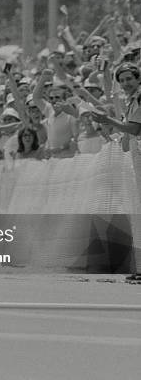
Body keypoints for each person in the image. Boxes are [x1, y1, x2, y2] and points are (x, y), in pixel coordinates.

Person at [91, 62, 141, 282]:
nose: (126, 83)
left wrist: (107, 120)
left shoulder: (139, 98)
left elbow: (134, 129)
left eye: (129, 78)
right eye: (122, 80)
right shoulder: (132, 100)